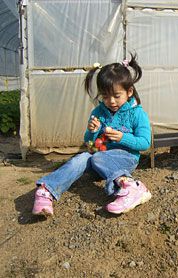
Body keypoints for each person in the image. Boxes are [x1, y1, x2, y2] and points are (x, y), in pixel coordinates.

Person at [32, 53, 152, 217]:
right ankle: (46, 191)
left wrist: (122, 137)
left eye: (117, 96)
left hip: (126, 158)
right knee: (82, 157)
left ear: (129, 91)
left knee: (97, 157)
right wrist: (92, 132)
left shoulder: (137, 114)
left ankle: (131, 187)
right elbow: (90, 145)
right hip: (100, 159)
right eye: (105, 96)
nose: (111, 101)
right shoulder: (99, 112)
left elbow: (145, 143)